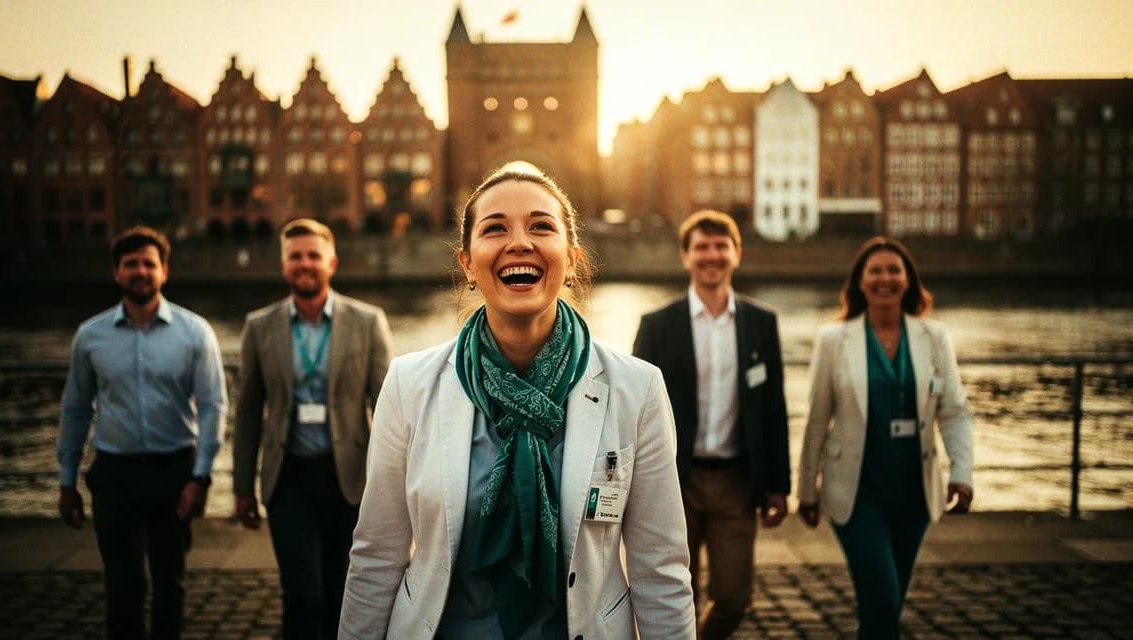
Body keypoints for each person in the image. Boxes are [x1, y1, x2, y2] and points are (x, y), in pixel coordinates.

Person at [339, 164, 694, 640]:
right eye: (495, 229)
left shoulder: (637, 389)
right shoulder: (409, 385)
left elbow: (660, 570)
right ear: (468, 263)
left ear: (571, 259)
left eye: (541, 226)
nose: (519, 243)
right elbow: (376, 557)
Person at [796, 236, 974, 639]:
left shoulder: (934, 337)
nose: (885, 278)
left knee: (887, 603)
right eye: (874, 271)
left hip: (915, 491)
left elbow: (954, 412)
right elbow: (817, 419)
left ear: (908, 279)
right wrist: (806, 490)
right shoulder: (834, 340)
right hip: (856, 491)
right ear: (860, 282)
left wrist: (962, 473)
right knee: (882, 595)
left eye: (894, 270)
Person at [57, 226, 227, 640]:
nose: (140, 271)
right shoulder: (90, 336)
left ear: (164, 270)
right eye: (130, 264)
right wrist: (66, 480)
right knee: (123, 586)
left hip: (175, 471)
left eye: (149, 263)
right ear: (116, 272)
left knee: (170, 583)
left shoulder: (195, 332)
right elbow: (76, 408)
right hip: (115, 474)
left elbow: (213, 406)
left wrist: (201, 477)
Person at [632, 209, 790, 640]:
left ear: (736, 253)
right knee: (672, 593)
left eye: (721, 246)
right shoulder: (657, 325)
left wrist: (779, 485)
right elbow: (633, 410)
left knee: (734, 597)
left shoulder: (761, 323)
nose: (712, 255)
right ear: (686, 256)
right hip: (672, 479)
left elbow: (772, 407)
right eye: (702, 247)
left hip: (736, 482)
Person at [232, 218, 392, 639]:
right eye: (295, 256)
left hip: (349, 478)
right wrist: (242, 487)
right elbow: (248, 411)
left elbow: (388, 407)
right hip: (288, 478)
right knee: (302, 595)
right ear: (284, 264)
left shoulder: (368, 321)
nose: (305, 263)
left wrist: (395, 483)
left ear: (331, 263)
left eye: (313, 255)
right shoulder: (259, 326)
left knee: (345, 593)